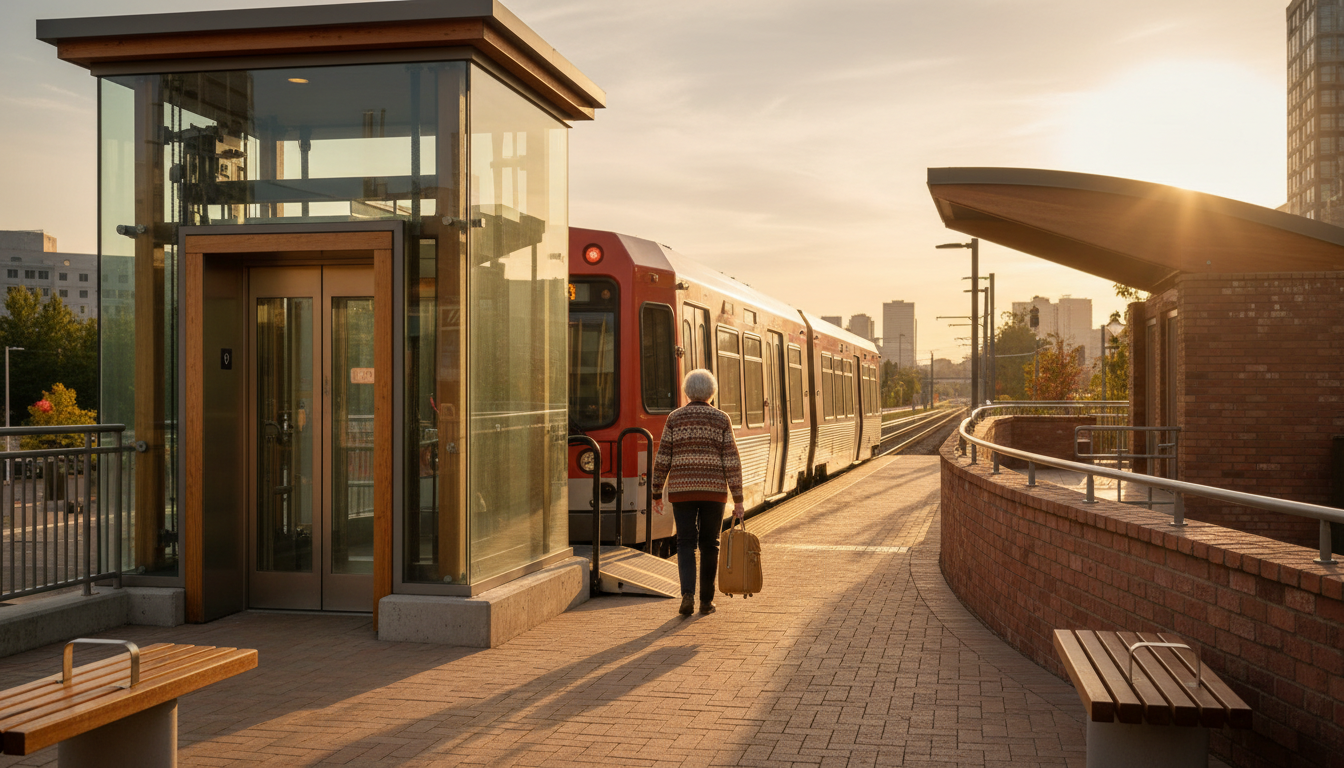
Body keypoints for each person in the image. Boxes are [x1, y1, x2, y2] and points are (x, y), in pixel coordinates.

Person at [650, 369, 745, 616]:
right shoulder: (721, 419)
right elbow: (731, 460)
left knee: (685, 543)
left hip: (682, 492)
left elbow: (663, 458)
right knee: (710, 545)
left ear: (687, 391)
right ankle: (706, 601)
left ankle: (687, 596)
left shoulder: (674, 418)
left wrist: (656, 492)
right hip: (714, 492)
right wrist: (739, 499)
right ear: (711, 392)